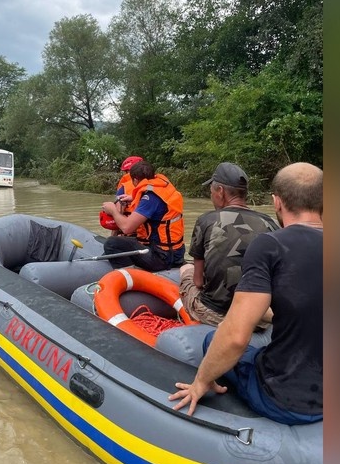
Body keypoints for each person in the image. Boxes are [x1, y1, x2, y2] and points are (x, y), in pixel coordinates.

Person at [169, 162, 322, 425]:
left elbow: (236, 337)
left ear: (277, 202)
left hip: (287, 400)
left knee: (212, 339)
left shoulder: (270, 247)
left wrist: (200, 383)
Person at [179, 162, 279, 327]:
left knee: (185, 269)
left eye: (211, 190)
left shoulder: (206, 220)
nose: (211, 195)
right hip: (258, 316)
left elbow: (198, 282)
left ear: (220, 191)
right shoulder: (270, 222)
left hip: (217, 313)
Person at [100, 160, 185, 272]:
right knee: (126, 239)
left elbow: (127, 227)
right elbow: (155, 204)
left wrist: (113, 211)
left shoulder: (149, 199)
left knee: (112, 243)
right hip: (175, 252)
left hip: (163, 257)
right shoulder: (161, 188)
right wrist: (133, 198)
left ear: (135, 180)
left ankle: (131, 278)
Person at [101, 156, 144, 235]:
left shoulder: (124, 187)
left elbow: (117, 214)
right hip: (148, 232)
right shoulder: (152, 184)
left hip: (130, 230)